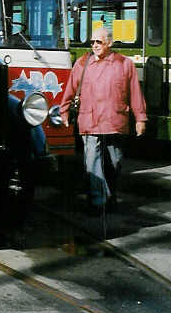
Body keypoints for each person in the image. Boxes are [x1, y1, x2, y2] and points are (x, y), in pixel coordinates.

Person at [59, 26, 146, 214]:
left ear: (110, 43)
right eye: (92, 42)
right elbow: (70, 89)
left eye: (99, 42)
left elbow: (135, 93)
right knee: (92, 162)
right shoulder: (82, 63)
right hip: (89, 120)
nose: (94, 45)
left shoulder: (125, 64)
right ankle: (98, 202)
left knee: (114, 163)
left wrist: (140, 118)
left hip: (115, 120)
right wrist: (64, 110)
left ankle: (109, 196)